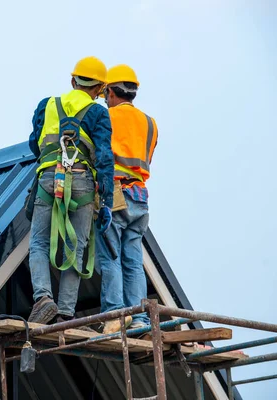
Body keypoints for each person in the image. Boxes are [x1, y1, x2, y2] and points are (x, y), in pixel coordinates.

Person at [27, 56, 115, 326]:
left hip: (49, 178)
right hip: (83, 182)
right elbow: (104, 159)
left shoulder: (47, 106)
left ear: (72, 80)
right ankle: (65, 311)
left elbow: (34, 143)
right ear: (100, 89)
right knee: (76, 248)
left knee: (39, 244)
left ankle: (43, 299)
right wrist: (108, 201)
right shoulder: (99, 113)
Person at [97, 65, 158, 334]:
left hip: (116, 194)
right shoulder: (149, 122)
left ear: (110, 92)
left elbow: (100, 155)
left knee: (110, 255)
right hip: (140, 196)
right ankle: (141, 319)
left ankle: (114, 315)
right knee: (133, 260)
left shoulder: (106, 117)